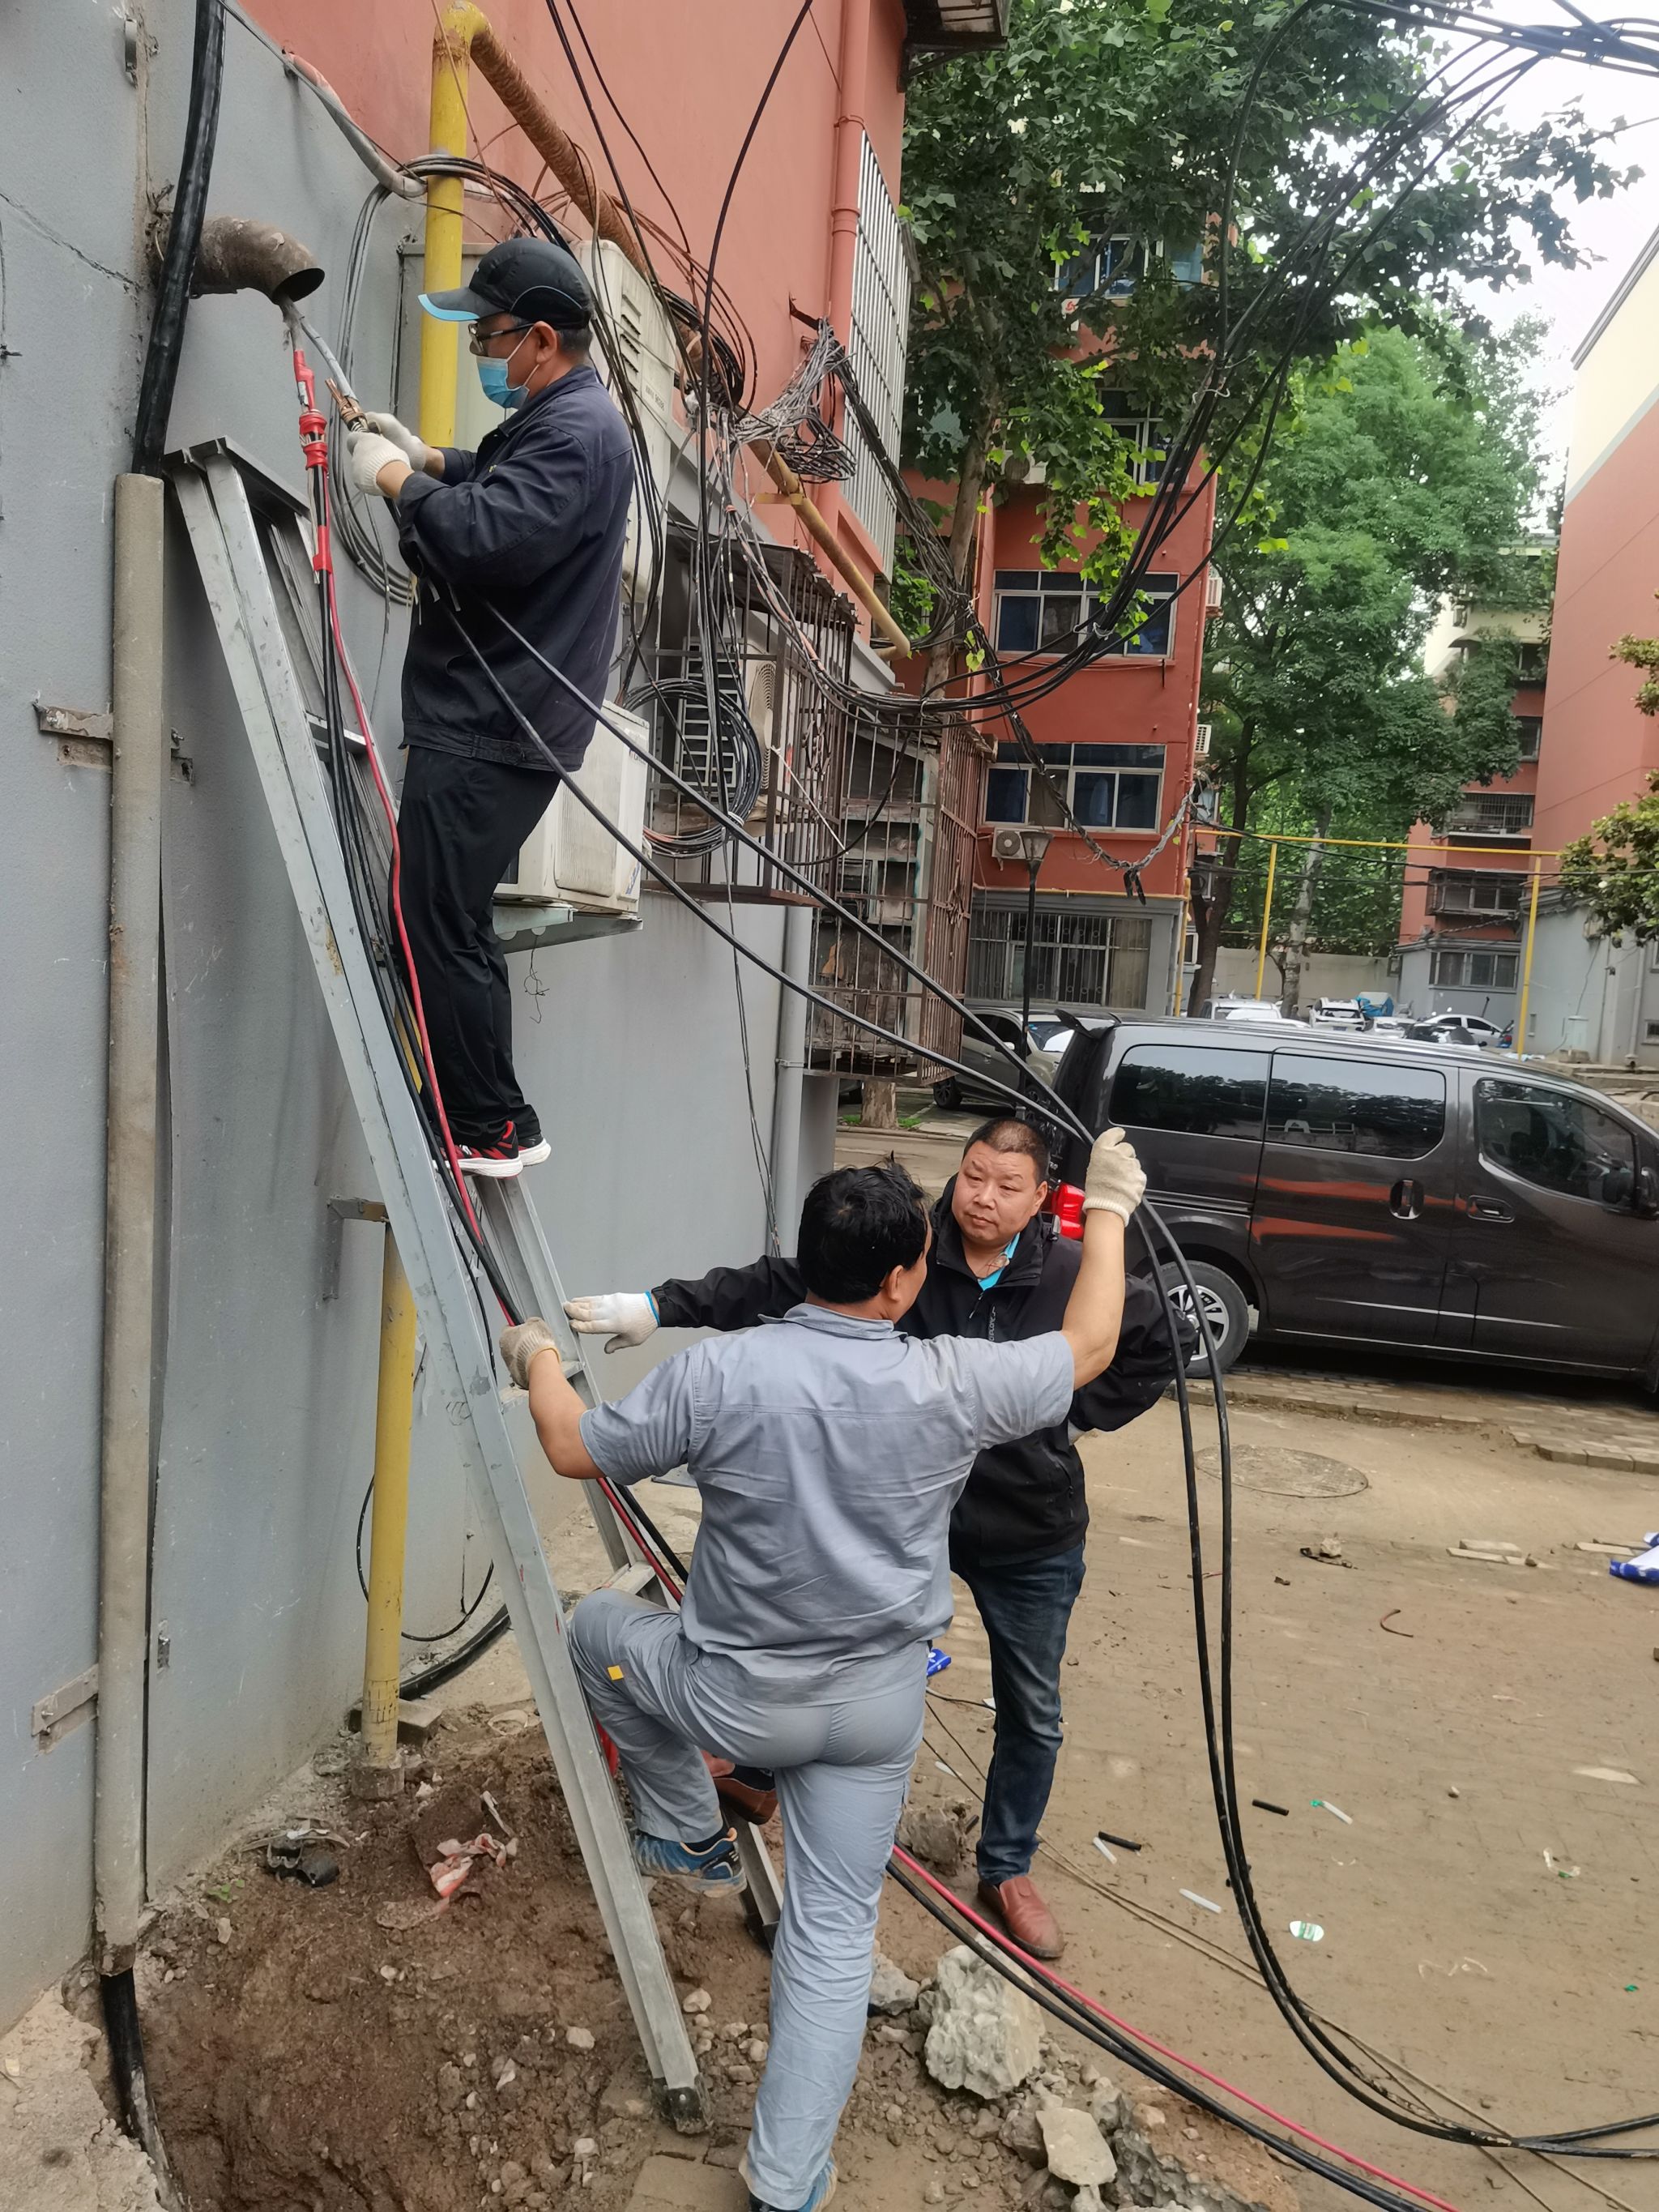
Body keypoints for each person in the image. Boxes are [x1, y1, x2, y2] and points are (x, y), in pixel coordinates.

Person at [497, 1132, 1145, 2212]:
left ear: (809, 1263)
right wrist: (1110, 1210)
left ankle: (682, 1826)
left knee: (596, 1626)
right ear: (900, 1282)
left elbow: (572, 1448)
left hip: (734, 1699)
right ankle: (785, 2184)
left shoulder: (720, 1371)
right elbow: (1090, 1346)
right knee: (833, 1938)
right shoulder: (952, 1381)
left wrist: (536, 1358)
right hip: (872, 1712)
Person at [565, 1117, 1188, 1959]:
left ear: (1043, 1197)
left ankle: (1006, 1864)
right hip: (905, 1520)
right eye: (973, 1175)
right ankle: (760, 1775)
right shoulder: (905, 1246)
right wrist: (657, 1306)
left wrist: (1064, 1420)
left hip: (1024, 1524)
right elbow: (781, 1283)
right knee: (834, 1632)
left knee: (1031, 1706)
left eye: (1008, 1186)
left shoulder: (1072, 1273)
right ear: (902, 1279)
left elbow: (1137, 1345)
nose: (983, 1197)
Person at [344, 234, 634, 1177]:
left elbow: (483, 539)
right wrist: (429, 457)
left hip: (492, 719)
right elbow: (506, 486)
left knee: (434, 920)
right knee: (448, 917)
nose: (478, 351)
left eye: (486, 336)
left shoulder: (576, 431)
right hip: (501, 714)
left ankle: (489, 1127)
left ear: (541, 339)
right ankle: (496, 1118)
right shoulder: (569, 419)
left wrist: (394, 481)